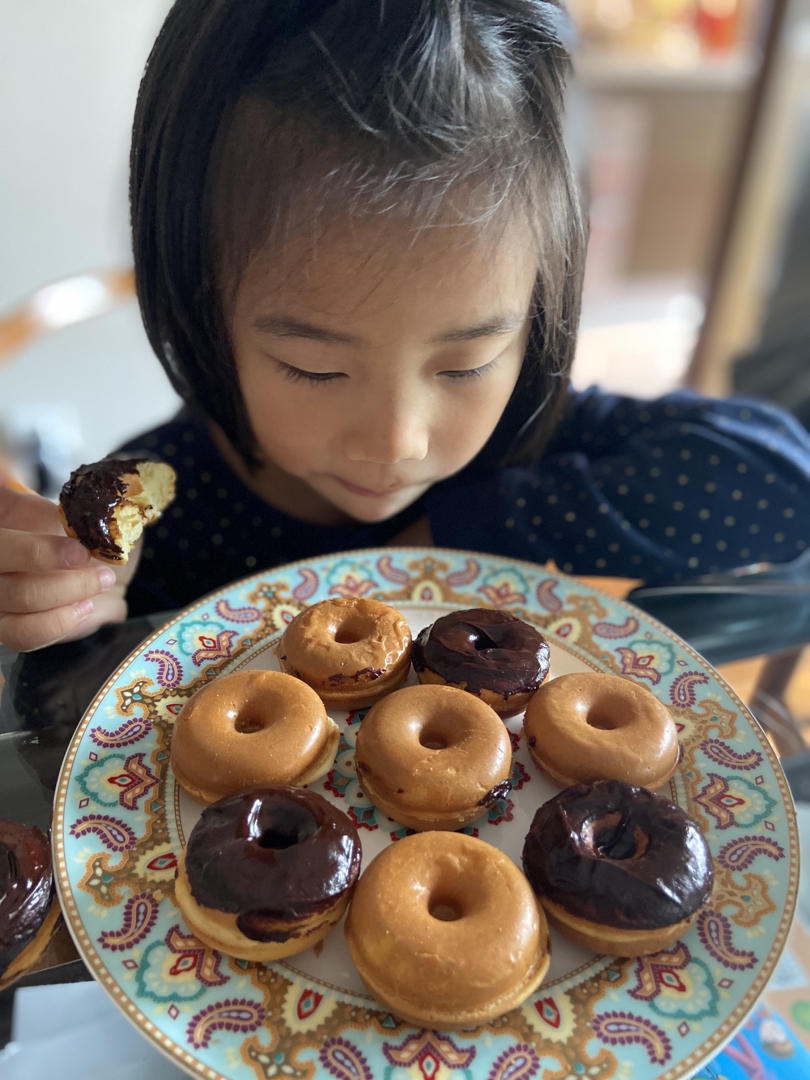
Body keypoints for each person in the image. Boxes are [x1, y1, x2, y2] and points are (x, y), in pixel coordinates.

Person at [0, 0, 808, 654]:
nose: (396, 442)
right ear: (200, 304)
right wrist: (76, 619)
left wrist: (473, 530)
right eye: (313, 368)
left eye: (466, 363)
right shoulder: (169, 515)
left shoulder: (528, 442)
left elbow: (783, 479)